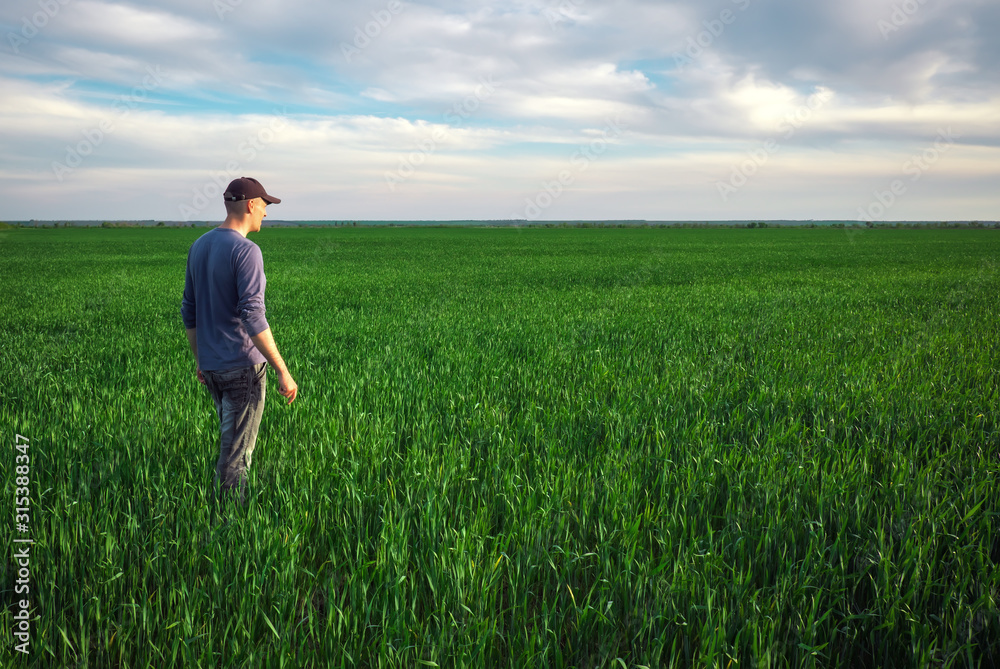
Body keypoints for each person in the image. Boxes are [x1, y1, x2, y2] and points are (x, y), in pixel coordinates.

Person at [180, 176, 298, 504]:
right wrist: (282, 370)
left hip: (215, 368)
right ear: (249, 205)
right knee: (237, 455)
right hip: (243, 369)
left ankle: (227, 521)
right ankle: (230, 530)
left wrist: (201, 360)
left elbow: (189, 311)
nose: (266, 212)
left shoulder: (199, 246)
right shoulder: (247, 251)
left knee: (231, 443)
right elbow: (253, 316)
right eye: (264, 205)